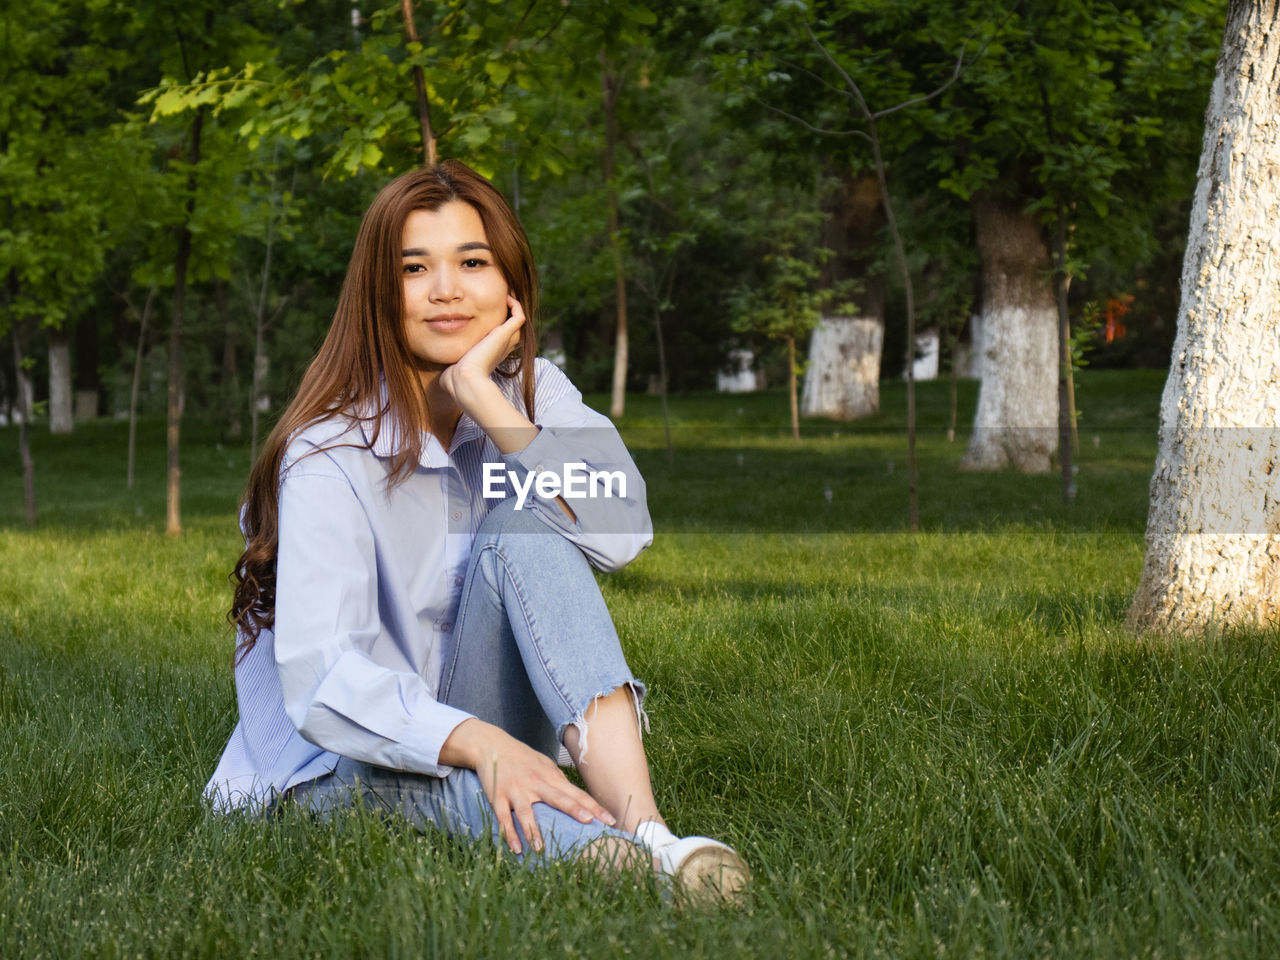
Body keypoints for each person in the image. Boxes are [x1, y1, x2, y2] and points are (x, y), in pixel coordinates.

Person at [204, 160, 749, 900]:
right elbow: (323, 681)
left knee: (526, 525)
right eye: (414, 267)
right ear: (377, 292)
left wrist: (485, 402)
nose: (446, 290)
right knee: (451, 784)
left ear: (510, 284)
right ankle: (626, 869)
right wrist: (485, 743)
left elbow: (623, 533)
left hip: (464, 717)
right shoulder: (329, 453)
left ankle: (647, 829)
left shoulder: (529, 393)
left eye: (472, 261)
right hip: (336, 765)